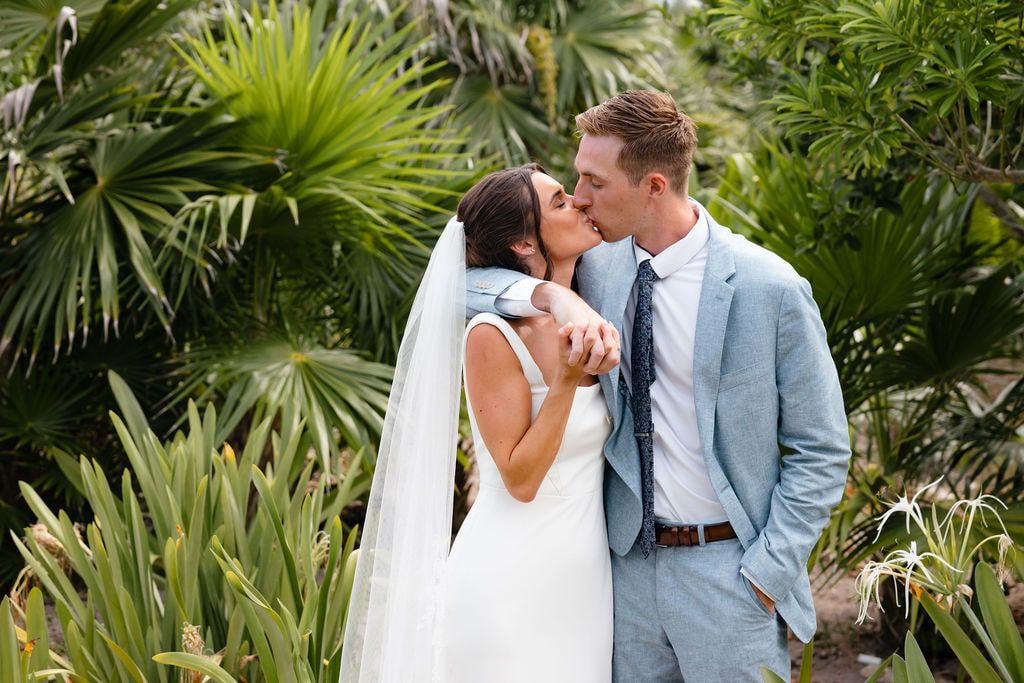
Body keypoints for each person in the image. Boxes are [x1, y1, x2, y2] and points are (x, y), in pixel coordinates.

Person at [466, 91, 852, 681]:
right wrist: (549, 294)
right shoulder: (592, 267)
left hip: (731, 576)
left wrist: (767, 575)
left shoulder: (768, 287)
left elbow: (822, 450)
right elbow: (463, 281)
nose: (581, 197)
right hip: (620, 578)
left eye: (594, 181)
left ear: (652, 186)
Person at [340, 164, 619, 682]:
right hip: (511, 580)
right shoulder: (491, 334)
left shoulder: (595, 297)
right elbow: (519, 478)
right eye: (559, 202)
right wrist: (564, 382)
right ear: (521, 243)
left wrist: (555, 295)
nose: (579, 203)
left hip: (585, 583)